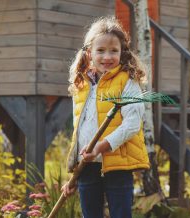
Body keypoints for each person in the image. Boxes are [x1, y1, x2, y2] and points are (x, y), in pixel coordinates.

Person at [61, 16, 150, 218]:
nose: (107, 57)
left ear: (122, 52)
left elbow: (132, 125)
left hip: (118, 163)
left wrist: (102, 146)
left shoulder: (127, 82)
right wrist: (75, 174)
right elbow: (80, 130)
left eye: (114, 51)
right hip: (88, 165)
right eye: (100, 51)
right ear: (89, 53)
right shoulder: (82, 85)